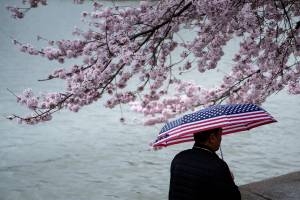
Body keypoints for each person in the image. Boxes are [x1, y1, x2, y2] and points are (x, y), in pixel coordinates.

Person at [169, 128, 241, 200]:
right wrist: (230, 180)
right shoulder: (218, 166)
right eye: (220, 134)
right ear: (212, 138)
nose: (221, 138)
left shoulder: (178, 158)